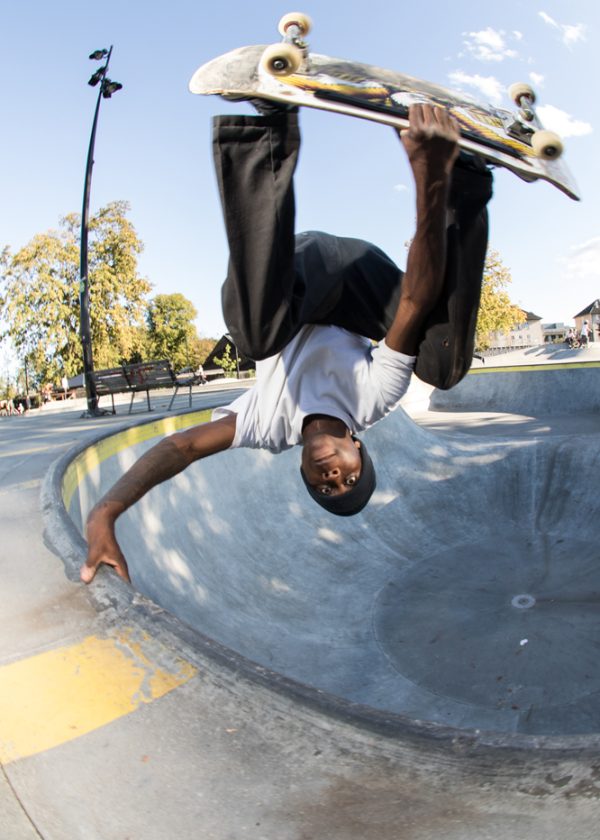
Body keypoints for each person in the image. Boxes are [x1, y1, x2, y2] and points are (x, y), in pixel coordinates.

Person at [82, 103, 492, 585]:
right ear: (357, 447)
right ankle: (464, 181)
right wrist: (430, 176)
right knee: (443, 369)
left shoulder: (266, 426)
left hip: (296, 286)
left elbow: (182, 447)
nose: (333, 474)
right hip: (359, 281)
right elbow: (414, 300)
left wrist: (106, 511)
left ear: (301, 468)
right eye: (349, 475)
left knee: (254, 340)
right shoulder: (375, 399)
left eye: (324, 485)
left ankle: (267, 137)